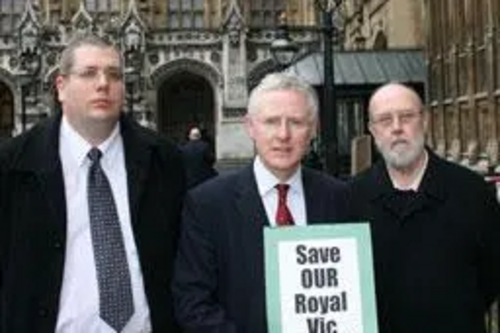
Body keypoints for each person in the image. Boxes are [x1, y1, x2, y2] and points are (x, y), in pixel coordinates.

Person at [0, 35, 186, 332]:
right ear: (60, 86)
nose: (103, 84)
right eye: (89, 74)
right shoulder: (11, 165)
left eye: (114, 75)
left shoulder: (165, 160)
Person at [172, 73, 351, 332]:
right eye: (271, 122)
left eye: (296, 122)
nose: (283, 134)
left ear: (313, 130)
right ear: (250, 127)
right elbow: (193, 303)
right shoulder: (206, 204)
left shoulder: (339, 197)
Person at [349, 82, 500, 333]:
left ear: (425, 121)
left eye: (406, 116)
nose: (397, 128)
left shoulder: (473, 191)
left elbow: (492, 276)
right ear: (373, 131)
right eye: (385, 120)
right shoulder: (352, 198)